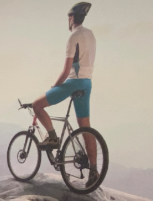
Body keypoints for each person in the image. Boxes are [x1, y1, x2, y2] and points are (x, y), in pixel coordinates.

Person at [29, 2, 95, 159]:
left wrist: (55, 86)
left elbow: (66, 71)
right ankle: (94, 172)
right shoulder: (90, 34)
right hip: (87, 83)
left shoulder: (73, 37)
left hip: (73, 83)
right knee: (86, 127)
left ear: (71, 18)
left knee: (36, 105)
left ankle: (52, 137)